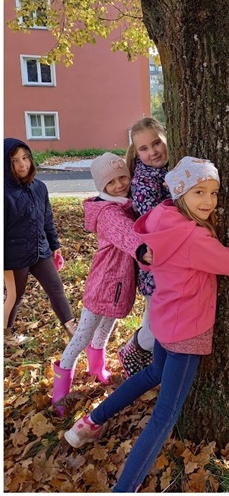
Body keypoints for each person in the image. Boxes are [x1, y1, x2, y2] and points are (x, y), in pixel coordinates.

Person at [64, 157, 229, 493]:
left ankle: (89, 423)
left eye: (214, 193)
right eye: (199, 192)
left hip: (163, 319)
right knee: (165, 416)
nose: (208, 201)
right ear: (179, 193)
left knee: (151, 374)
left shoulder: (161, 217)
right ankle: (124, 488)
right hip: (187, 331)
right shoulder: (192, 238)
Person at [52, 153, 145, 416]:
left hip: (117, 284)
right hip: (103, 282)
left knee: (105, 328)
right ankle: (60, 390)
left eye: (123, 177)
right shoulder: (109, 213)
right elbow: (127, 235)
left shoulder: (123, 205)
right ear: (101, 187)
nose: (119, 185)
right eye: (111, 182)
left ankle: (96, 367)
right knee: (82, 335)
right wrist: (145, 250)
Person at [4, 138, 76, 343]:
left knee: (56, 288)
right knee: (15, 296)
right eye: (15, 160)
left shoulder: (40, 187)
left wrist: (55, 245)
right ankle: (6, 334)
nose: (22, 164)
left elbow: (47, 219)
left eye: (25, 158)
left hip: (40, 250)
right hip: (13, 257)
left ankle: (73, 331)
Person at [117, 117, 169, 376]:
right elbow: (153, 222)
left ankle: (148, 364)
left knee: (156, 321)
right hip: (154, 264)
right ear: (136, 153)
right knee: (160, 326)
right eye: (144, 149)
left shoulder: (169, 169)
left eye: (157, 143)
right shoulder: (143, 181)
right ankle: (133, 348)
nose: (153, 152)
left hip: (168, 263)